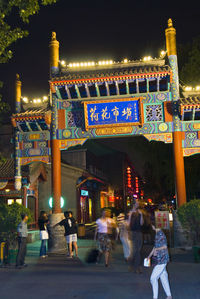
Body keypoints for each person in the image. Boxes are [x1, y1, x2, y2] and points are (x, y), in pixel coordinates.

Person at [147, 218, 172, 299]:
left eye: (152, 226)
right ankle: (169, 295)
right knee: (163, 277)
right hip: (161, 259)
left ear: (154, 226)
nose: (152, 228)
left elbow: (164, 246)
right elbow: (155, 247)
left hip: (162, 259)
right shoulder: (158, 233)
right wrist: (149, 256)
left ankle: (155, 297)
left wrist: (156, 251)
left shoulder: (160, 234)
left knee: (153, 278)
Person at [128, 202, 144, 273]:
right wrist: (130, 215)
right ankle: (137, 267)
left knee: (138, 250)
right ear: (134, 204)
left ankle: (133, 265)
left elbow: (142, 223)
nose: (138, 204)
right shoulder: (130, 212)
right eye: (137, 203)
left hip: (139, 232)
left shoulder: (140, 212)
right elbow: (128, 224)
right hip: (132, 232)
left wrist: (141, 215)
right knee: (135, 250)